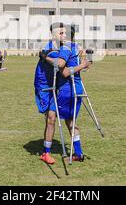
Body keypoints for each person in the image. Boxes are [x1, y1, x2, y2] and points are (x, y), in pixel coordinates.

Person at [54, 26, 91, 162]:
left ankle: (78, 153)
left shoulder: (66, 48)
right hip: (77, 88)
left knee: (68, 121)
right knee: (71, 121)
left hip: (68, 89)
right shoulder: (77, 47)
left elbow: (63, 71)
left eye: (63, 33)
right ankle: (78, 153)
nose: (61, 35)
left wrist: (82, 65)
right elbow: (87, 67)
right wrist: (85, 63)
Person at [34, 22, 67, 165]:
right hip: (43, 85)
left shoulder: (62, 47)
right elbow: (59, 63)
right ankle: (46, 152)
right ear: (53, 35)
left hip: (55, 84)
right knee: (50, 117)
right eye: (61, 33)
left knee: (52, 117)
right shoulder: (49, 49)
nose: (65, 35)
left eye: (65, 33)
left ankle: (46, 152)